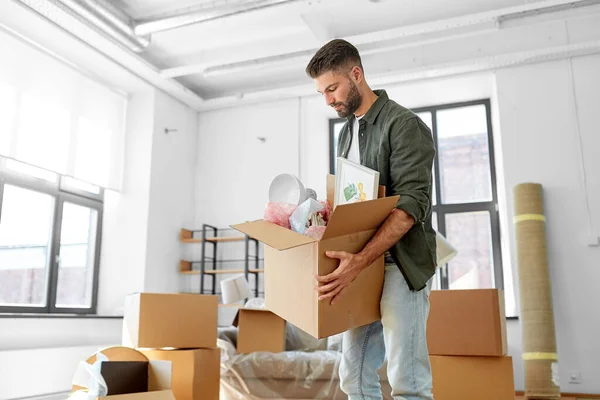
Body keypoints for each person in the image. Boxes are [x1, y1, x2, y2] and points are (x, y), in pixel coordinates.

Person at [306, 39, 437, 400]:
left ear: (357, 74)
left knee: (407, 382)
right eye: (322, 92)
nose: (328, 99)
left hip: (400, 264)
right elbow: (353, 201)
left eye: (332, 88)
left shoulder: (404, 125)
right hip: (361, 266)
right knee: (354, 377)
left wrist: (359, 262)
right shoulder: (347, 133)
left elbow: (411, 206)